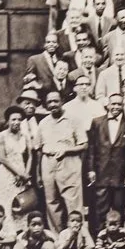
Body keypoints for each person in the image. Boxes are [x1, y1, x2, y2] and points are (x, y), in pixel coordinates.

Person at [87, 94, 125, 233]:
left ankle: (119, 240)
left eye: (119, 104)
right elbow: (92, 148)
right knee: (100, 209)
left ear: (123, 106)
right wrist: (91, 169)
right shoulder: (97, 122)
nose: (115, 107)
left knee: (119, 208)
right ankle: (100, 239)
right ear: (108, 105)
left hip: (120, 175)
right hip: (101, 173)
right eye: (113, 104)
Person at [36, 90, 87, 230]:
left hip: (69, 162)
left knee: (73, 202)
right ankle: (57, 237)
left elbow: (83, 145)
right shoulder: (43, 123)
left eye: (55, 101)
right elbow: (39, 149)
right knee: (52, 202)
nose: (53, 104)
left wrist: (67, 150)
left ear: (62, 102)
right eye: (49, 102)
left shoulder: (74, 120)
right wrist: (38, 173)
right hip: (48, 162)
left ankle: (78, 237)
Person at [0, 103, 36, 219]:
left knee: (22, 202)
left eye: (19, 120)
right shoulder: (1, 136)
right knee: (7, 202)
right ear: (8, 121)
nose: (16, 122)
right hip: (7, 172)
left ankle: (21, 230)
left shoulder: (25, 136)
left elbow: (30, 156)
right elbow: (2, 158)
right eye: (13, 119)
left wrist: (25, 175)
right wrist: (18, 174)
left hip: (22, 173)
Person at [27, 30, 73, 99]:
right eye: (48, 42)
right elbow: (30, 79)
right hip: (43, 97)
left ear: (57, 44)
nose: (51, 44)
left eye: (54, 42)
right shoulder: (34, 59)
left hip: (61, 98)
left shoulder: (62, 59)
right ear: (44, 45)